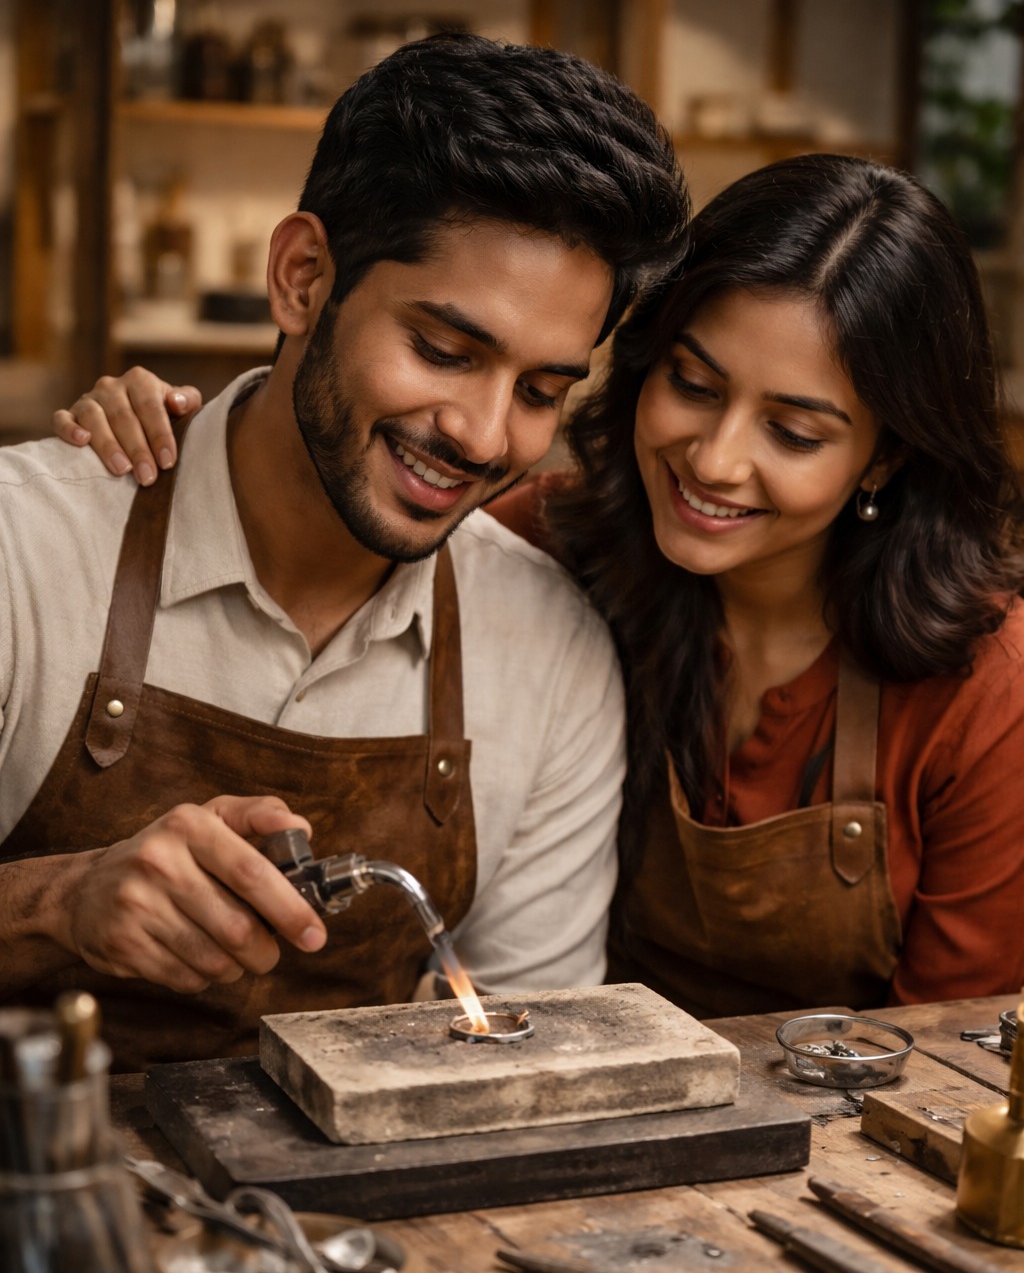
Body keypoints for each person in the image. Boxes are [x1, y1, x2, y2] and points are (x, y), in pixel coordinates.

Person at [82, 156, 1024, 1017]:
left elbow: (950, 1054)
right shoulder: (545, 545)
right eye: (693, 385)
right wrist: (164, 448)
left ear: (886, 457)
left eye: (795, 433)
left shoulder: (985, 687)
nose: (716, 460)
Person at [0, 33, 689, 1068]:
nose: (485, 435)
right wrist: (62, 903)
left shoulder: (549, 652)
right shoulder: (25, 545)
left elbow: (519, 1056)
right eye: (444, 352)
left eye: (542, 391)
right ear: (302, 277)